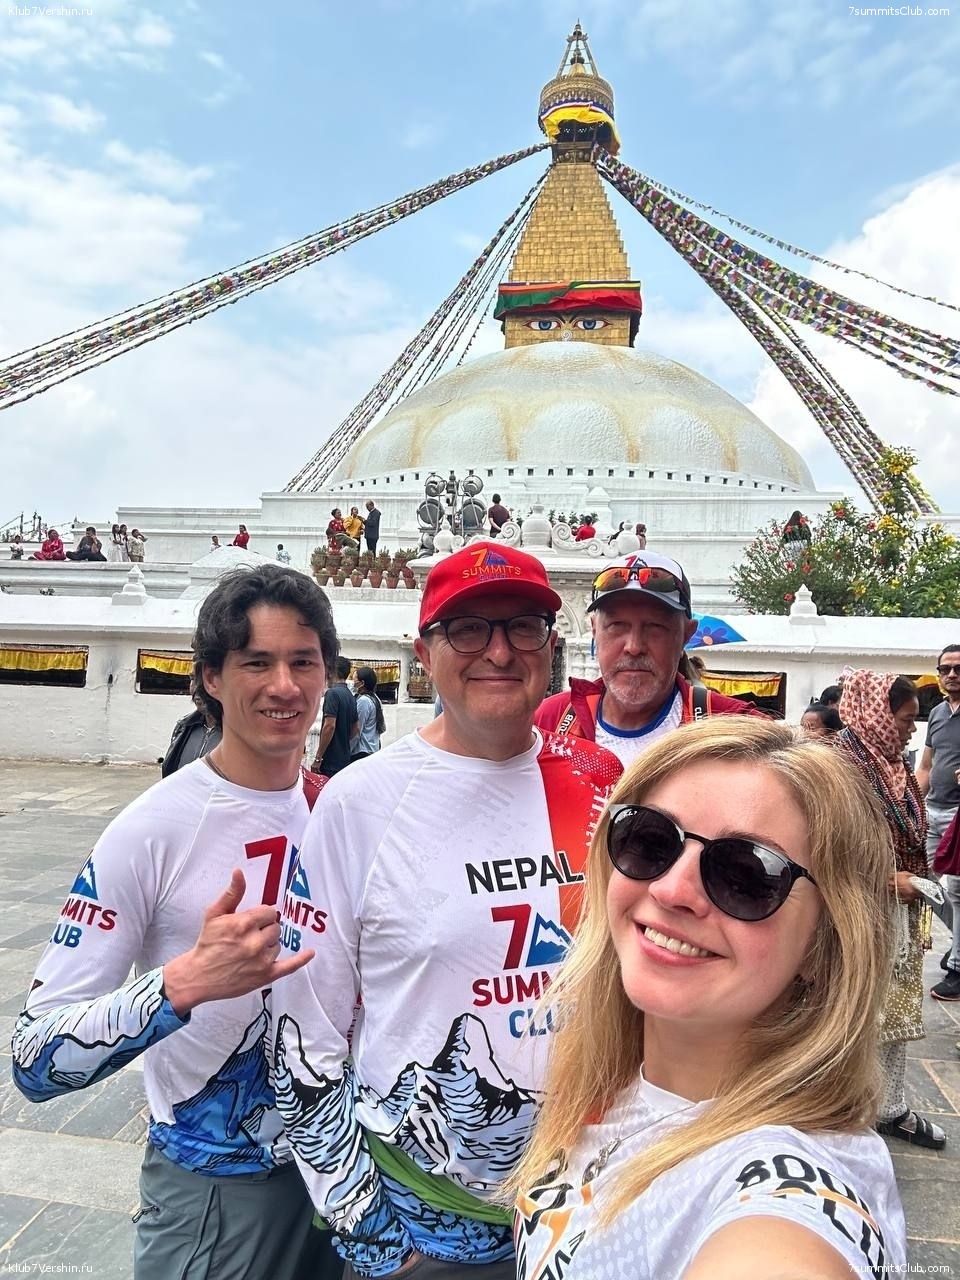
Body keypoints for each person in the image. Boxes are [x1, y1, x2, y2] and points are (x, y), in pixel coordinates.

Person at [271, 542, 623, 1278]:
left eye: (522, 627)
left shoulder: (602, 781)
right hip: (428, 1220)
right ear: (424, 654)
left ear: (550, 648)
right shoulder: (360, 802)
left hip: (595, 1203)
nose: (498, 651)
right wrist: (370, 1233)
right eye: (467, 630)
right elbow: (303, 1031)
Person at [12, 564, 342, 1279]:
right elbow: (34, 1060)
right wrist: (182, 984)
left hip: (345, 1183)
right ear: (211, 678)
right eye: (256, 662)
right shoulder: (153, 830)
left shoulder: (340, 812)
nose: (284, 686)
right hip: (215, 1195)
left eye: (302, 662)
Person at [510, 718, 907, 1278]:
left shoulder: (784, 1190)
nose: (671, 889)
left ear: (825, 944)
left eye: (746, 875)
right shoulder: (609, 1079)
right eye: (649, 841)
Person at [837, 670, 945, 1148]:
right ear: (877, 714)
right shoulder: (840, 766)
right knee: (851, 1010)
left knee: (892, 1011)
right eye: (905, 719)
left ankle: (890, 1105)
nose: (910, 731)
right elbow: (821, 845)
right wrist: (882, 880)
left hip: (896, 914)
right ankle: (844, 1107)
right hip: (853, 911)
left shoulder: (892, 763)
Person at [535, 553, 763, 767]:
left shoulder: (735, 732)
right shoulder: (549, 721)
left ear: (686, 635)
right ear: (594, 630)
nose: (634, 647)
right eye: (617, 626)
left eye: (655, 627)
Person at [918, 642, 960, 1000]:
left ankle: (958, 965)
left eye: (958, 668)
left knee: (958, 888)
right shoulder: (938, 713)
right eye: (945, 669)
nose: (951, 675)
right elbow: (926, 766)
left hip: (959, 815)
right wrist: (912, 804)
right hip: (933, 809)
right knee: (924, 881)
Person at [313, 655, 358, 778]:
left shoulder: (332, 693)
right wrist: (342, 738)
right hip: (344, 757)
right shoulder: (350, 695)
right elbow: (356, 728)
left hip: (330, 759)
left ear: (332, 671)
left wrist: (318, 757)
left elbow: (329, 726)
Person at [160, 690, 222, 776]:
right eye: (192, 679)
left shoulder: (236, 732)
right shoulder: (185, 726)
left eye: (201, 683)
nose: (195, 689)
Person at [350, 666, 385, 760]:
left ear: (362, 683)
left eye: (354, 681)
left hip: (362, 751)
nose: (353, 684)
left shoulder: (364, 701)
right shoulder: (375, 699)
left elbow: (357, 729)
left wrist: (348, 750)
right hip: (372, 749)